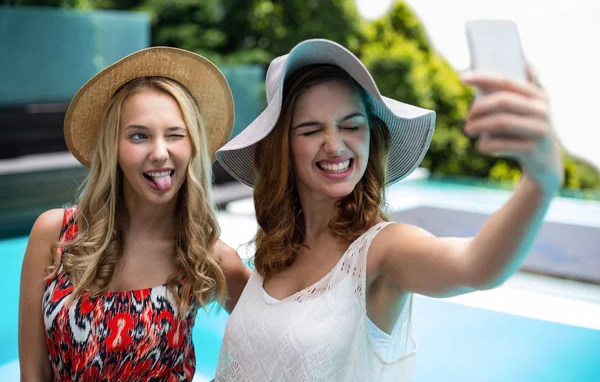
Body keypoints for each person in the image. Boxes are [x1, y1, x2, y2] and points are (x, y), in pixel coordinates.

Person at [214, 39, 563, 381]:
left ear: (370, 136)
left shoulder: (384, 250)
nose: (335, 145)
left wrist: (540, 182)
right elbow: (271, 334)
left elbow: (476, 266)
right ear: (282, 148)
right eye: (310, 130)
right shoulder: (275, 250)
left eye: (351, 126)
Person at [18, 47, 251, 381]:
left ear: (192, 146)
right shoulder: (55, 234)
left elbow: (278, 336)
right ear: (114, 146)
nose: (159, 152)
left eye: (175, 135)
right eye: (139, 136)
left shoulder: (206, 256)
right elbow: (33, 373)